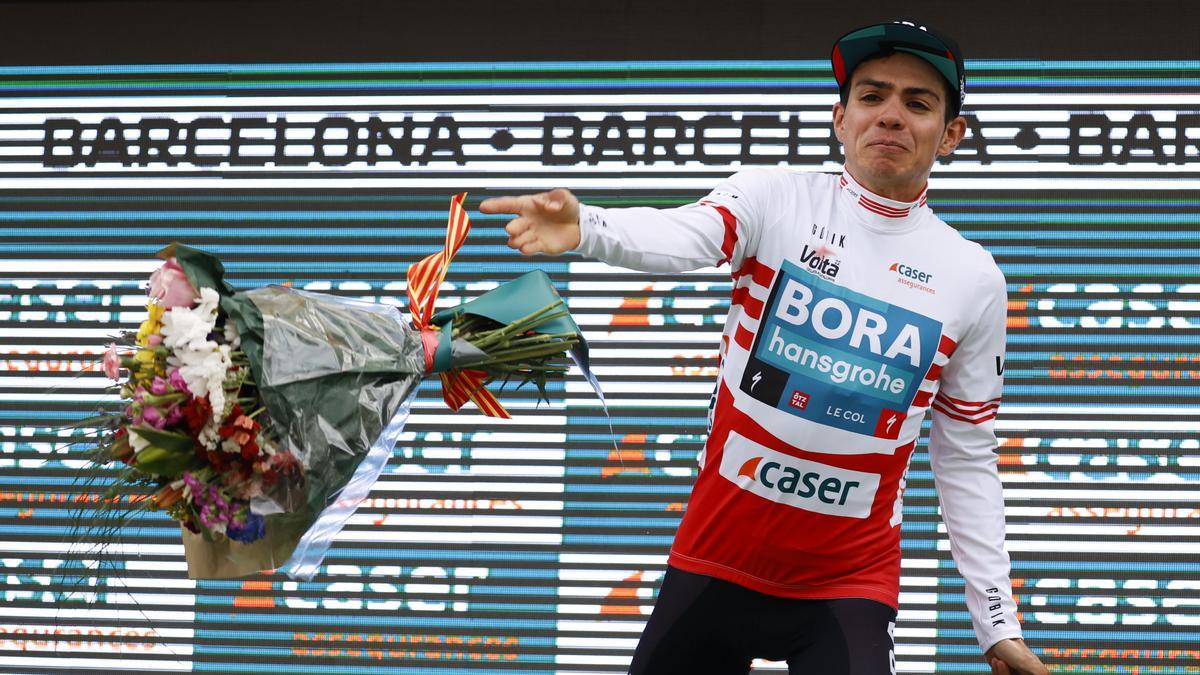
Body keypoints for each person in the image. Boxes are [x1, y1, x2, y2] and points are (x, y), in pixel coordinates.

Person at [481, 19, 1049, 675]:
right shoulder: (777, 198)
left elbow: (967, 459)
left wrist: (996, 624)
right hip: (714, 560)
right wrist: (588, 227)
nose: (890, 115)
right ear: (840, 118)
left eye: (918, 103)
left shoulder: (971, 276)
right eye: (871, 96)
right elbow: (685, 236)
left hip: (848, 585)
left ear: (951, 134)